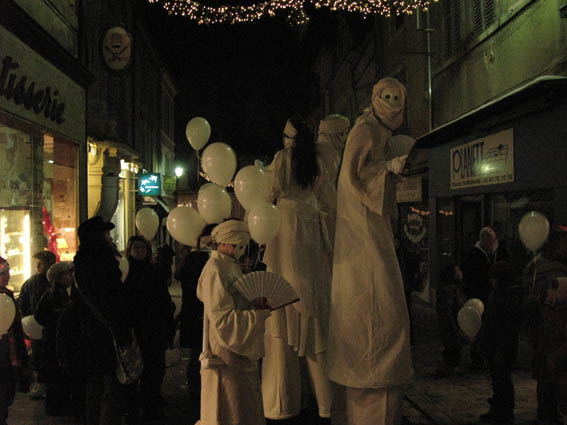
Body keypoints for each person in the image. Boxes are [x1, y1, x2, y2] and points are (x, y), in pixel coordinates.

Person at [326, 77, 413, 425]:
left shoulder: (381, 132)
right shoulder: (364, 130)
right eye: (387, 96)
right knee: (378, 297)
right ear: (375, 99)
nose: (392, 102)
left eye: (397, 97)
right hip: (361, 225)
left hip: (373, 224)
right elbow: (353, 177)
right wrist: (387, 168)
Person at [262, 117, 334, 423]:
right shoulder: (316, 161)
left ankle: (287, 402)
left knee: (286, 303)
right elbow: (323, 195)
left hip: (288, 228)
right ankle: (325, 405)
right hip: (311, 227)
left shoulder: (281, 160)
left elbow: (269, 193)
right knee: (312, 306)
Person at [195, 219, 271, 425]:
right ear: (226, 243)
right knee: (230, 405)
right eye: (239, 245)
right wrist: (258, 316)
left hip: (236, 349)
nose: (241, 250)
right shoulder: (216, 269)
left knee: (240, 404)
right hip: (226, 349)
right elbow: (223, 319)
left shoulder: (227, 265)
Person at [73, 216, 134, 425]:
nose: (110, 237)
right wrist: (122, 330)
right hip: (105, 333)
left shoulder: (81, 262)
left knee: (95, 388)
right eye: (106, 234)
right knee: (110, 389)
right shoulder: (102, 262)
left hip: (88, 334)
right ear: (96, 238)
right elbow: (114, 300)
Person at [124, 235, 175, 420]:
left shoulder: (154, 272)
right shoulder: (125, 273)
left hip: (154, 328)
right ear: (129, 251)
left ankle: (151, 401)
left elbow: (163, 299)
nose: (139, 251)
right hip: (135, 329)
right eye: (135, 248)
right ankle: (134, 405)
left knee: (154, 368)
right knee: (135, 368)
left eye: (142, 248)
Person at [34, 261, 85, 420]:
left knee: (62, 375)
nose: (70, 277)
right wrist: (57, 321)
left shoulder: (70, 292)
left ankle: (61, 404)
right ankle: (56, 406)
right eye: (66, 274)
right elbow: (40, 315)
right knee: (56, 375)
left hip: (65, 341)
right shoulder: (52, 295)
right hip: (54, 341)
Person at [478, 261, 523, 425]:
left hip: (502, 347)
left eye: (494, 278)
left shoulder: (509, 297)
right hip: (493, 344)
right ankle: (497, 410)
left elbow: (508, 328)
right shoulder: (497, 294)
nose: (491, 281)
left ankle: (504, 413)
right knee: (497, 380)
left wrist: (501, 350)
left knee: (503, 380)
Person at [174, 224, 215, 399]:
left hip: (197, 314)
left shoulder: (205, 259)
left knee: (199, 353)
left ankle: (199, 390)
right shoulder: (197, 259)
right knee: (198, 354)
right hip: (196, 314)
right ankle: (196, 392)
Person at [17, 250, 56, 399]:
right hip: (35, 326)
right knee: (38, 355)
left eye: (42, 263)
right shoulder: (30, 283)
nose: (38, 266)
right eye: (36, 263)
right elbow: (23, 303)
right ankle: (40, 383)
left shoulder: (53, 282)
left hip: (47, 327)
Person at [532, 276, 567, 425]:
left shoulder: (563, 314)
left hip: (558, 363)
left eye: (553, 288)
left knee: (557, 393)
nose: (548, 291)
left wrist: (554, 358)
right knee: (544, 393)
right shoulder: (547, 308)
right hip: (545, 359)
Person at [0, 256, 29, 425]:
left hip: (9, 357)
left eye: (8, 271)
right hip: (5, 358)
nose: (8, 275)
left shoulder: (8, 296)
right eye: (3, 272)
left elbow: (16, 332)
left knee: (6, 398)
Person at [315, 113, 350, 245]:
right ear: (334, 134)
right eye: (343, 133)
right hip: (325, 211)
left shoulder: (330, 151)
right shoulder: (326, 152)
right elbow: (325, 186)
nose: (345, 138)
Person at [435, 263, 468, 377]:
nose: (460, 272)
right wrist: (453, 327)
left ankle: (450, 367)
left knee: (454, 347)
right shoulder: (448, 289)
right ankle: (447, 367)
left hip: (456, 322)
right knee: (452, 346)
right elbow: (446, 310)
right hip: (451, 324)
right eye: (457, 270)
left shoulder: (456, 288)